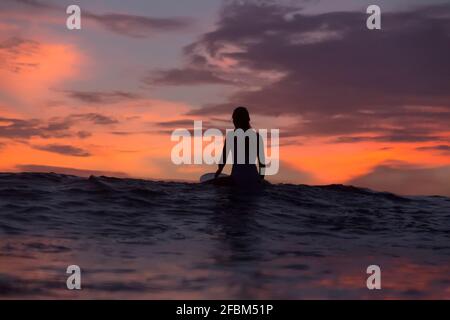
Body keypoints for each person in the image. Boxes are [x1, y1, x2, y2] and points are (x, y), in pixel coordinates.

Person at [214, 106, 266, 186]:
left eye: (234, 119)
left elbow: (223, 161)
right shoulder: (257, 137)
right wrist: (261, 179)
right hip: (253, 178)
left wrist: (217, 173)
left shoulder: (231, 136)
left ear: (237, 120)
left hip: (237, 178)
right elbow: (262, 163)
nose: (233, 121)